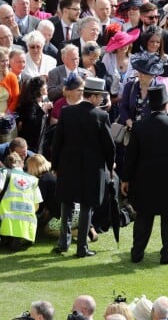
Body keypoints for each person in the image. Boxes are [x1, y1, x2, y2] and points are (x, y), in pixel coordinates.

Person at [121, 85, 168, 264]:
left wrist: (126, 179)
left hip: (145, 178)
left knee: (144, 217)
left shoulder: (139, 126)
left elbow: (131, 156)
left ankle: (137, 253)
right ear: (167, 104)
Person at [52, 77, 116, 258]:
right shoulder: (102, 116)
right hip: (92, 169)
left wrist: (55, 165)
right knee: (87, 207)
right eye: (101, 96)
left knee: (67, 204)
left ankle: (63, 244)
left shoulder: (67, 112)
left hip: (68, 166)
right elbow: (109, 146)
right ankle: (82, 247)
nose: (102, 100)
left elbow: (57, 143)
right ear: (94, 97)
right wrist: (110, 165)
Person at [0, 151, 43, 250]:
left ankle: (8, 237)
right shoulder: (32, 179)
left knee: (1, 211)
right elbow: (37, 202)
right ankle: (21, 237)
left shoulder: (5, 172)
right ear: (22, 163)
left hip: (7, 217)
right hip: (27, 221)